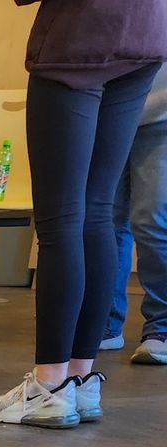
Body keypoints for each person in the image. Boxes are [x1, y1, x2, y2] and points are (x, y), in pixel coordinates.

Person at [0, 0, 167, 428]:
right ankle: (80, 381)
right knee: (96, 212)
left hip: (81, 36)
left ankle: (49, 386)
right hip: (145, 33)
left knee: (62, 219)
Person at [100, 62, 167, 364]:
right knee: (107, 221)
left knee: (151, 220)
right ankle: (106, 323)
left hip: (161, 115)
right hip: (111, 110)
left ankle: (161, 329)